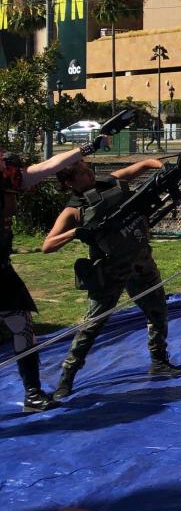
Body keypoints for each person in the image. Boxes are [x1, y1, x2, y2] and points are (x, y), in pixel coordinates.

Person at [43, 157, 181, 398]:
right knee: (92, 325)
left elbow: (144, 164)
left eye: (88, 169)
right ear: (70, 182)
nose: (89, 174)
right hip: (110, 270)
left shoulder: (111, 182)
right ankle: (67, 376)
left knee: (157, 311)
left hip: (140, 261)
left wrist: (165, 168)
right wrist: (76, 232)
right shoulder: (73, 209)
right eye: (82, 173)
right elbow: (47, 245)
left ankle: (159, 360)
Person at [1, 142, 104, 412]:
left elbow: (48, 167)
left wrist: (87, 147)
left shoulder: (9, 176)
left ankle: (33, 394)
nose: (3, 159)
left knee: (22, 325)